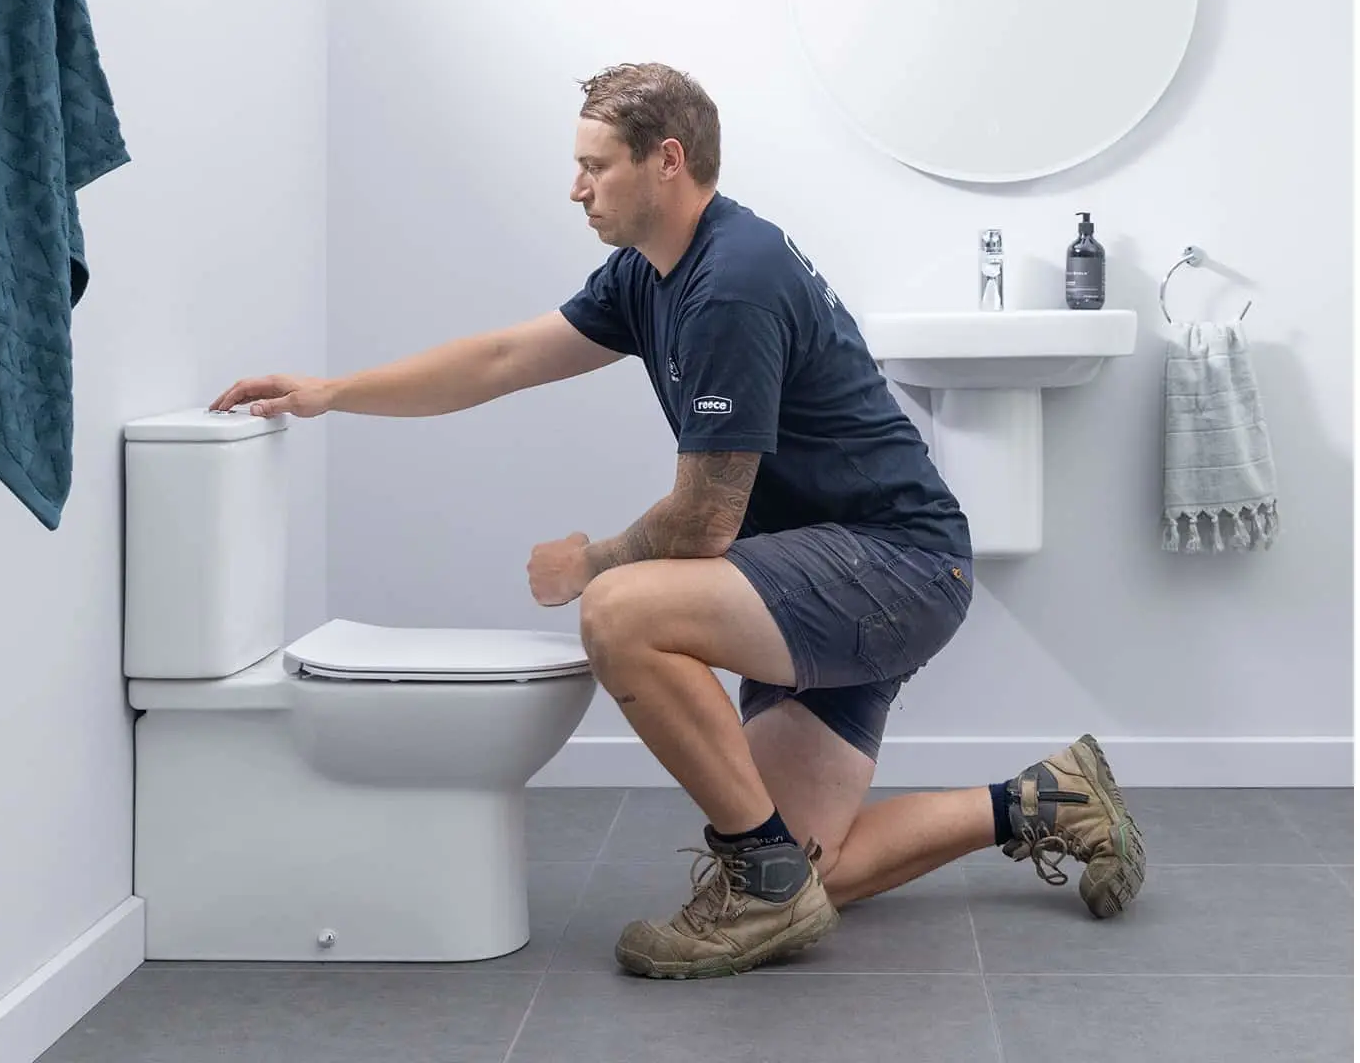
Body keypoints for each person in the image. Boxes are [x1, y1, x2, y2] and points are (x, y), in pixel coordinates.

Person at [211, 62, 1146, 980]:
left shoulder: (730, 282)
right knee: (814, 863)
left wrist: (588, 563)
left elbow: (702, 524)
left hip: (894, 568)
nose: (575, 188)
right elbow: (501, 359)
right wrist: (330, 391)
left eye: (595, 166)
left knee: (621, 610)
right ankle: (1046, 800)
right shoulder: (647, 273)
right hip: (833, 566)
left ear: (666, 160)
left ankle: (760, 886)